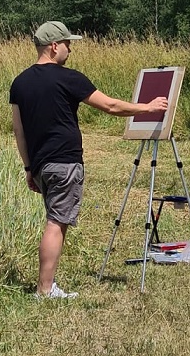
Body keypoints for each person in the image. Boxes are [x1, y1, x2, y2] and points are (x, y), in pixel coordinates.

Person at [10, 21, 168, 299]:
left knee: (55, 220)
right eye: (67, 44)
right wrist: (148, 107)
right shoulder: (68, 78)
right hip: (64, 162)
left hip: (41, 164)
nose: (70, 50)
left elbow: (19, 130)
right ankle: (45, 289)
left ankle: (47, 285)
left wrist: (28, 167)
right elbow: (110, 106)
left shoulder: (20, 83)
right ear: (54, 46)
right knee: (56, 223)